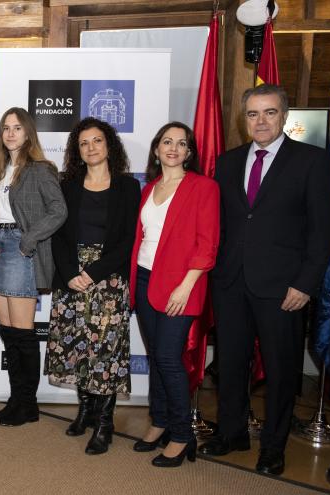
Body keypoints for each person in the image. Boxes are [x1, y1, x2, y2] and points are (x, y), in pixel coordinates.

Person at [200, 84, 330, 475]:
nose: (260, 121)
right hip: (230, 282)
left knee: (280, 370)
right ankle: (231, 433)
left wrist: (306, 284)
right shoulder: (227, 163)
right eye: (253, 114)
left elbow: (323, 231)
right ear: (244, 120)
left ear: (284, 115)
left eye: (269, 113)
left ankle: (273, 447)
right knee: (230, 363)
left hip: (284, 288)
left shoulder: (312, 161)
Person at [46, 117, 140, 454]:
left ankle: (105, 423)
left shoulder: (128, 187)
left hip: (109, 278)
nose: (91, 148)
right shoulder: (67, 184)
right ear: (77, 150)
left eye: (97, 141)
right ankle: (84, 410)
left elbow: (129, 239)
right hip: (71, 276)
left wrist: (94, 272)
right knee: (77, 347)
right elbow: (58, 233)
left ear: (109, 144)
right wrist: (72, 272)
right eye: (84, 143)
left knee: (105, 351)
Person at [130, 122, 219, 468]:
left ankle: (182, 435)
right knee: (156, 357)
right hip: (144, 280)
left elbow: (208, 244)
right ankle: (160, 420)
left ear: (189, 152)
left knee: (168, 358)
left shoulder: (202, 187)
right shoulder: (148, 188)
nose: (173, 148)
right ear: (156, 149)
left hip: (181, 285)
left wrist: (186, 285)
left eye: (181, 144)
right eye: (167, 142)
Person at [0, 107, 67, 427]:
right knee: (8, 332)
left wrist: (28, 240)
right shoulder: (0, 169)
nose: (10, 133)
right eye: (5, 128)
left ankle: (27, 404)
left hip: (21, 249)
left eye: (17, 128)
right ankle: (17, 399)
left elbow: (58, 210)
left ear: (28, 132)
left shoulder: (40, 169)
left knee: (23, 334)